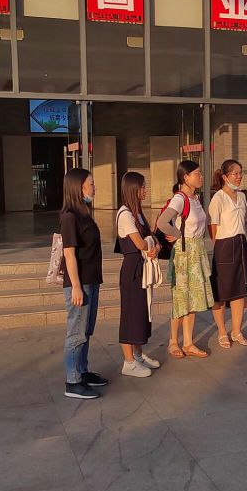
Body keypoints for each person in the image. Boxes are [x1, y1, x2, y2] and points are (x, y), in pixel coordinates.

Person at [155, 160, 213, 359]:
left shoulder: (195, 198)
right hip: (184, 253)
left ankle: (188, 342)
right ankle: (173, 341)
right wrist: (177, 235)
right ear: (185, 177)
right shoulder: (180, 199)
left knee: (193, 298)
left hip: (197, 251)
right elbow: (162, 222)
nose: (201, 176)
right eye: (197, 173)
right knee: (180, 298)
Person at [59, 168, 108, 399]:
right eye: (91, 184)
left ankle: (82, 371)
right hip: (80, 283)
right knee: (76, 332)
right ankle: (72, 381)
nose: (94, 188)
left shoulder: (84, 213)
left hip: (92, 279)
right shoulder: (69, 216)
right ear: (78, 188)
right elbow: (69, 254)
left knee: (86, 330)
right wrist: (76, 287)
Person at [115, 171, 161, 378]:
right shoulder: (125, 214)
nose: (145, 190)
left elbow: (150, 237)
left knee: (140, 312)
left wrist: (154, 245)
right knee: (130, 314)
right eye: (142, 187)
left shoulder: (137, 213)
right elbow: (141, 243)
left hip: (142, 267)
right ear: (133, 189)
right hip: (133, 269)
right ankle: (128, 361)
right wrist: (151, 245)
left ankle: (138, 355)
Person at [208, 159, 247, 348]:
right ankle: (222, 332)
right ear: (225, 177)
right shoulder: (218, 198)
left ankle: (236, 331)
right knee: (221, 292)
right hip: (224, 246)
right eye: (235, 173)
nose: (239, 176)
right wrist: (223, 247)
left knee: (239, 291)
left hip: (240, 244)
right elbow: (213, 229)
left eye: (240, 173)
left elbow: (245, 222)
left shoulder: (241, 196)